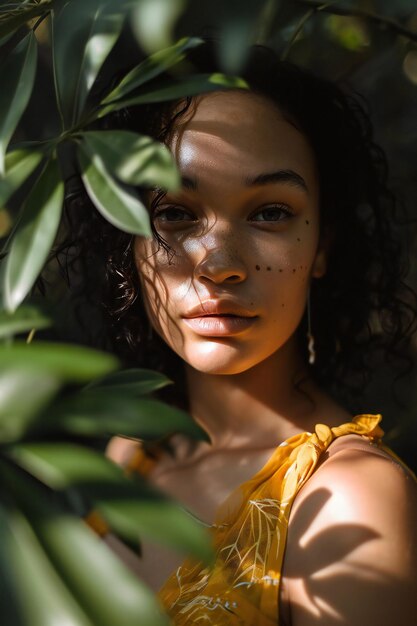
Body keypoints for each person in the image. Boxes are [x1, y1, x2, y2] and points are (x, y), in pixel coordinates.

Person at [68, 42, 417, 625]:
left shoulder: (351, 499)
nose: (219, 263)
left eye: (271, 212)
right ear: (125, 242)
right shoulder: (135, 454)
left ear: (322, 244)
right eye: (175, 213)